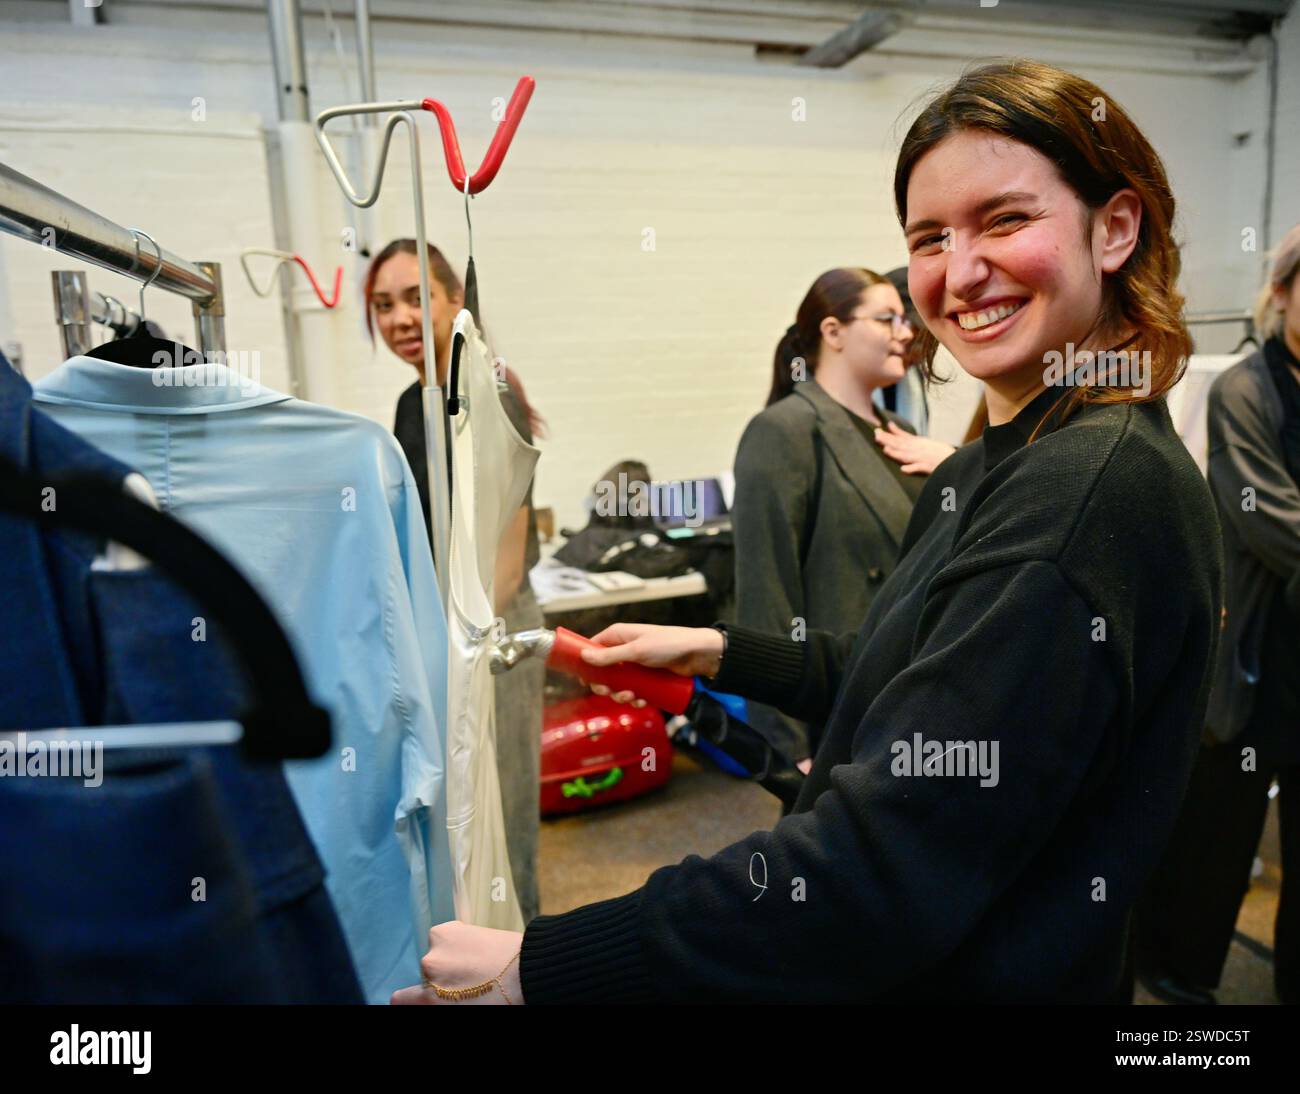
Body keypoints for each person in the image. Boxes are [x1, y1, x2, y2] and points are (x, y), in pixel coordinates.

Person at [393, 58, 1222, 1005]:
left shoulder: (1084, 491)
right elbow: (897, 667)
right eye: (929, 238)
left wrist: (544, 966)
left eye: (1005, 219)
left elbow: (879, 868)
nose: (959, 271)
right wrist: (719, 650)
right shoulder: (1006, 457)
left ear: (1114, 227)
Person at [1135, 222, 1300, 1006]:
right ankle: (1180, 972)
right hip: (1258, 656)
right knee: (1220, 831)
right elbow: (1265, 516)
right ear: (1280, 292)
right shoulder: (1244, 387)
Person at [366, 239, 546, 924]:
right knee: (458, 826)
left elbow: (506, 549)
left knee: (503, 823)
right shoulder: (412, 402)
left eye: (416, 297)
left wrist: (464, 647)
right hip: (440, 633)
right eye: (384, 305)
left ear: (454, 300)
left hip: (490, 631)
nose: (400, 318)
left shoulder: (489, 386)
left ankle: (523, 970)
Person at [731, 268, 922, 767]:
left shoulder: (900, 431)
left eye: (904, 320)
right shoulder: (784, 431)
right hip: (834, 711)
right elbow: (765, 596)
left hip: (907, 692)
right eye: (887, 319)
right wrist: (786, 748)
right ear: (833, 333)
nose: (905, 333)